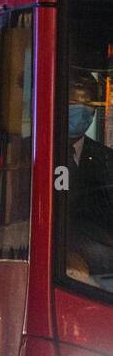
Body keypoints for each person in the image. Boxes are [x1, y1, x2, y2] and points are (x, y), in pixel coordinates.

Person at [66, 74, 113, 283]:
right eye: (75, 102)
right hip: (67, 265)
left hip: (102, 263)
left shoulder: (105, 158)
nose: (83, 110)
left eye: (89, 104)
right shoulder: (30, 153)